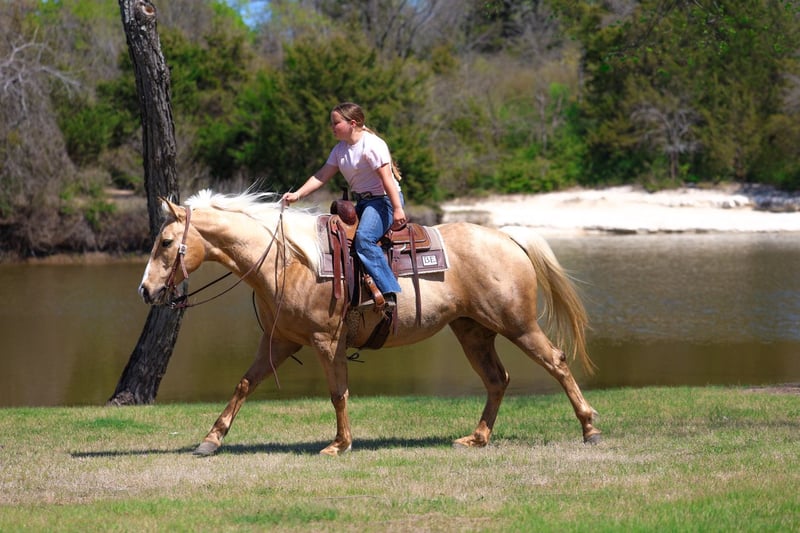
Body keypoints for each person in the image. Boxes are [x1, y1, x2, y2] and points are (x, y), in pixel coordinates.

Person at [282, 102, 406, 309]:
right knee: (335, 236)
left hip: (384, 200)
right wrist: (297, 195)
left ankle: (388, 291)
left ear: (352, 123)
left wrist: (398, 209)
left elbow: (387, 179)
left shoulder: (372, 145)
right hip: (364, 201)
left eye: (336, 123)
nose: (332, 127)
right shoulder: (340, 149)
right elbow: (322, 175)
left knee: (364, 238)